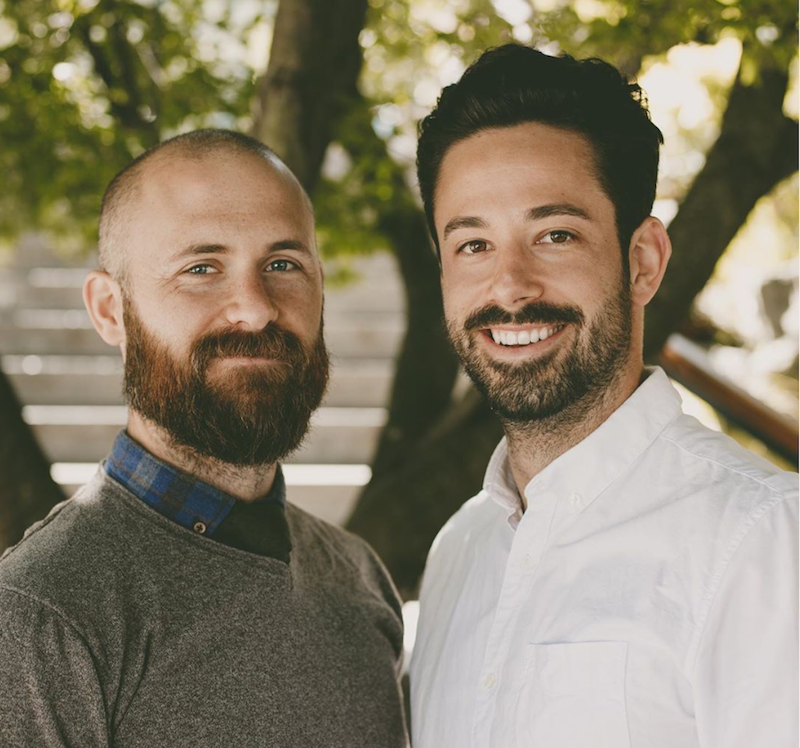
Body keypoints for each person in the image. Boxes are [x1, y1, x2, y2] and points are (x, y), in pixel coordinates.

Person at [409, 44, 798, 748]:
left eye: (555, 234)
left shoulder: (765, 541)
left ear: (643, 261)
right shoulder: (457, 553)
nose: (510, 287)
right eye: (473, 245)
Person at [0, 129, 408, 747]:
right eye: (201, 268)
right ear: (111, 310)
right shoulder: (40, 613)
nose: (254, 308)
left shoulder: (359, 578)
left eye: (282, 265)